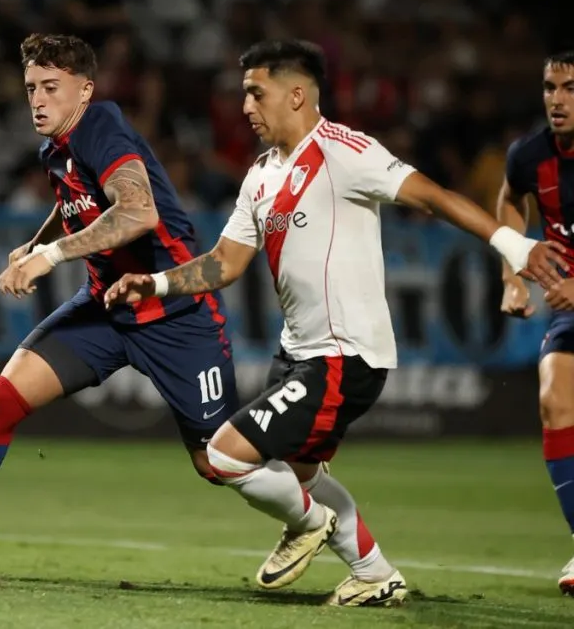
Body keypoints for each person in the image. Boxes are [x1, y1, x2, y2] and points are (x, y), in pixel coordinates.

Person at [103, 39, 566, 607]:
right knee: (295, 473)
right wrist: (155, 283)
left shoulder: (345, 150)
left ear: (296, 94)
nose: (245, 106)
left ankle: (308, 525)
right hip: (298, 352)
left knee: (221, 455)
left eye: (256, 93)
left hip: (345, 355)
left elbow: (433, 196)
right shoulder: (262, 174)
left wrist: (513, 246)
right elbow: (224, 263)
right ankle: (374, 573)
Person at [0, 33, 237, 570]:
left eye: (50, 87)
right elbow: (80, 201)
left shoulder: (102, 126)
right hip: (104, 311)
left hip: (172, 313)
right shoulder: (54, 148)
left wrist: (50, 256)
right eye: (31, 86)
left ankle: (310, 507)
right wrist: (36, 242)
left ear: (84, 90)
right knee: (1, 403)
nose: (36, 99)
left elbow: (137, 212)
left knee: (219, 462)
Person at [497, 49, 574, 596]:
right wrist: (514, 270)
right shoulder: (529, 155)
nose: (557, 100)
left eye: (570, 88)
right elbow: (507, 203)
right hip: (569, 308)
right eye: (550, 88)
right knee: (553, 399)